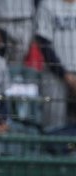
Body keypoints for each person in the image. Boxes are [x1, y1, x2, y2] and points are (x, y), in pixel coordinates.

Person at [34, 0, 76, 131]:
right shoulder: (48, 4)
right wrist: (65, 74)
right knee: (53, 126)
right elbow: (43, 43)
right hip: (54, 76)